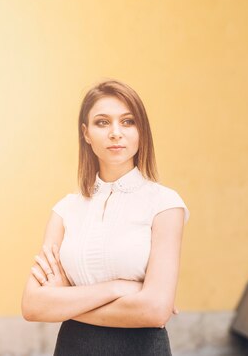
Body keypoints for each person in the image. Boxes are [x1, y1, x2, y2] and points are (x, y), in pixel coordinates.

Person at [21, 80, 190, 356]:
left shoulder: (165, 204)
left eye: (127, 122)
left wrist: (66, 303)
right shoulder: (65, 210)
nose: (115, 133)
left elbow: (155, 310)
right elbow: (33, 306)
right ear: (86, 134)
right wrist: (120, 288)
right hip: (74, 349)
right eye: (102, 123)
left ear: (141, 131)